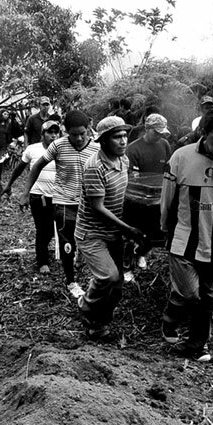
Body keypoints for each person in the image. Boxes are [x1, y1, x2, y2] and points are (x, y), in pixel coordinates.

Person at [160, 107, 213, 362]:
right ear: (203, 134)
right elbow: (167, 200)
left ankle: (196, 345)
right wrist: (165, 227)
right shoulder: (180, 158)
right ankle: (170, 318)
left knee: (207, 295)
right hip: (183, 237)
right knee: (189, 293)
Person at [75, 116, 146, 339]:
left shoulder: (123, 161)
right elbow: (98, 208)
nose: (123, 141)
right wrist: (128, 229)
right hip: (92, 233)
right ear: (104, 140)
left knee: (117, 286)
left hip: (114, 232)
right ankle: (85, 307)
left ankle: (99, 323)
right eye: (117, 137)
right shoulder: (94, 167)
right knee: (108, 277)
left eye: (125, 136)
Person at [19, 110, 100, 298]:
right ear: (66, 131)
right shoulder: (58, 146)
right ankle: (71, 281)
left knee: (91, 239)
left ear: (88, 130)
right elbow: (37, 166)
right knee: (66, 240)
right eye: (74, 134)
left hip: (89, 202)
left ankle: (90, 270)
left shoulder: (96, 149)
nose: (79, 138)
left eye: (83, 133)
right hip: (64, 201)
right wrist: (25, 193)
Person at [2, 120, 60, 274]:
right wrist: (10, 186)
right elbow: (19, 169)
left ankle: (47, 253)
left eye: (56, 132)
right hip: (37, 195)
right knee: (42, 228)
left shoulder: (61, 150)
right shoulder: (32, 149)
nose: (53, 136)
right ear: (43, 134)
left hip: (57, 196)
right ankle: (42, 261)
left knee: (53, 229)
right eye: (50, 132)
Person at [123, 113, 172, 279]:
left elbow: (168, 170)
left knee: (154, 233)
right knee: (132, 234)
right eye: (156, 132)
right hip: (136, 200)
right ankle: (127, 267)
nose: (159, 136)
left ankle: (141, 253)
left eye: (161, 133)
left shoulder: (164, 145)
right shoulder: (133, 149)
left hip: (158, 199)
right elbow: (131, 178)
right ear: (147, 128)